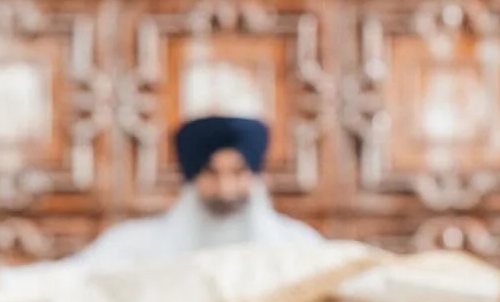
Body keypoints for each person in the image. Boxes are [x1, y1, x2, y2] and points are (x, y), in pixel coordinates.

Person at [51, 115, 323, 273]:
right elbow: (70, 280)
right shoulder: (132, 245)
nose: (225, 190)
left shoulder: (297, 245)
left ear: (255, 177)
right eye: (211, 174)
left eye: (238, 173)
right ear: (192, 179)